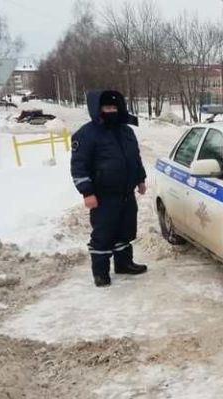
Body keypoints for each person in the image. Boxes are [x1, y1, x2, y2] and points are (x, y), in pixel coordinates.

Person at [70, 90, 148, 287]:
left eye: (114, 107)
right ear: (98, 109)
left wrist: (140, 179)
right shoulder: (86, 134)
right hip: (103, 195)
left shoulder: (127, 131)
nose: (111, 111)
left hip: (126, 193)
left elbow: (135, 158)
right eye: (107, 107)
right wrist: (87, 192)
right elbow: (79, 165)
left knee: (125, 230)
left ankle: (124, 264)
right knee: (103, 234)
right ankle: (100, 272)